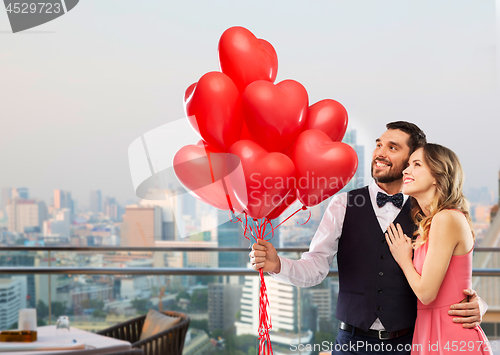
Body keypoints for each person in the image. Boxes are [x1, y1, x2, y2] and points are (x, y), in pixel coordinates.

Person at [249, 122, 484, 355]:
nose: (380, 153)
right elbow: (316, 268)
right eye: (379, 145)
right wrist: (278, 265)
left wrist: (479, 305)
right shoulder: (343, 204)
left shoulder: (428, 214)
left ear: (412, 161)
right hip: (350, 343)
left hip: (410, 342)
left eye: (393, 147)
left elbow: (449, 275)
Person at [385, 143, 492, 354]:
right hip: (429, 331)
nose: (406, 170)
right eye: (408, 164)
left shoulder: (446, 219)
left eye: (416, 164)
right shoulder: (432, 222)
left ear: (437, 175)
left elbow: (426, 293)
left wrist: (404, 259)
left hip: (451, 334)